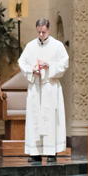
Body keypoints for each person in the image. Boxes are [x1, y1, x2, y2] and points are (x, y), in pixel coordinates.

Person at [18, 18, 69, 164]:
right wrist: (31, 69)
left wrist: (50, 65)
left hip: (50, 87)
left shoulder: (57, 46)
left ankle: (51, 152)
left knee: (51, 119)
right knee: (35, 118)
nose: (41, 34)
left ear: (49, 30)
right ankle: (35, 152)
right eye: (39, 32)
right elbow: (22, 62)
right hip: (36, 88)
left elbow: (64, 63)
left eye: (44, 32)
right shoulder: (30, 46)